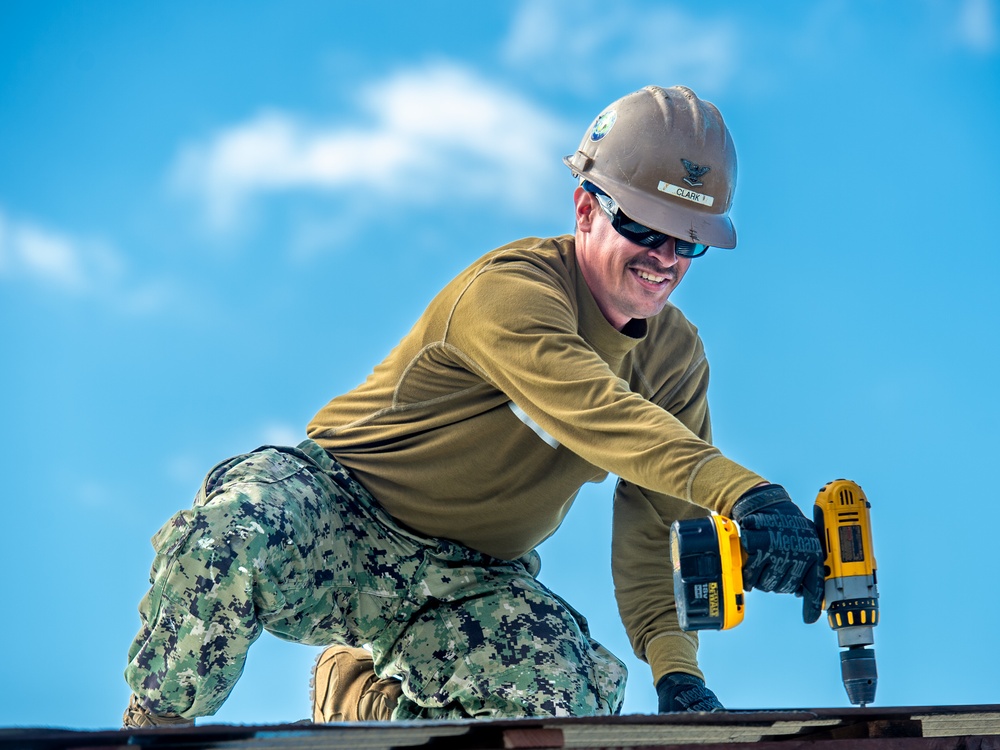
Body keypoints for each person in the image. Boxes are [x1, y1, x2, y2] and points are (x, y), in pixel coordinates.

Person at [122, 85, 824, 728]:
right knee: (229, 535)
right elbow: (601, 413)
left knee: (561, 693)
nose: (664, 257)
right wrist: (751, 496)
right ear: (586, 208)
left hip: (471, 578)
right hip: (337, 512)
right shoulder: (511, 292)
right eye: (644, 228)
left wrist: (677, 675)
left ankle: (368, 697)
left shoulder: (674, 359)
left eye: (688, 241)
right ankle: (155, 728)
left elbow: (655, 522)